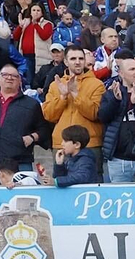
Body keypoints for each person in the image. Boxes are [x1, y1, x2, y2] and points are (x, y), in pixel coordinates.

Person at [41, 46, 105, 176]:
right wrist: (63, 97)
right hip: (62, 143)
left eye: (81, 58)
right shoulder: (55, 85)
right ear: (65, 61)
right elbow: (48, 115)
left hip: (90, 144)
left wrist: (75, 94)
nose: (77, 62)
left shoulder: (97, 84)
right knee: (61, 185)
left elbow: (94, 113)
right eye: (73, 58)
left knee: (92, 183)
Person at [97, 53, 135, 184]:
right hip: (118, 160)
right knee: (119, 199)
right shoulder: (111, 93)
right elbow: (103, 117)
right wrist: (116, 100)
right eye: (132, 69)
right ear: (121, 73)